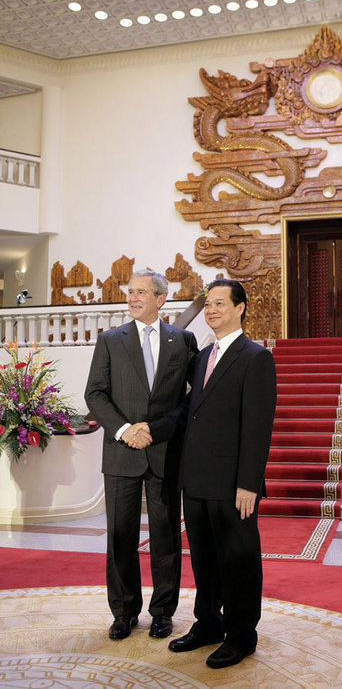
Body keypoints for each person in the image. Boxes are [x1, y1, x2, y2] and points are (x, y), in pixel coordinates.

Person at [136, 279, 277, 669]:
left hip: (233, 484)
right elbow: (186, 411)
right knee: (204, 560)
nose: (212, 310)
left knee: (238, 560)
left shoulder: (256, 358)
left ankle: (241, 635)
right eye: (208, 304)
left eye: (220, 303)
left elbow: (258, 427)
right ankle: (209, 625)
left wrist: (249, 482)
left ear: (240, 308)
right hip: (195, 479)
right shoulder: (201, 357)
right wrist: (152, 428)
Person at [84, 270, 198, 641]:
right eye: (130, 291)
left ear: (161, 299)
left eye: (141, 292)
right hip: (121, 453)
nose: (132, 298)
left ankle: (163, 612)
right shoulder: (110, 340)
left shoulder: (183, 340)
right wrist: (125, 430)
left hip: (165, 451)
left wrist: (156, 428)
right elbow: (95, 394)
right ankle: (124, 612)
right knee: (120, 536)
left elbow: (190, 399)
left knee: (166, 537)